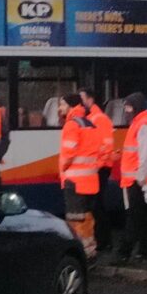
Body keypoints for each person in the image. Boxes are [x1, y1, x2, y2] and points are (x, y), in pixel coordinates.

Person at [116, 92, 147, 264]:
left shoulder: (143, 124)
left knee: (134, 217)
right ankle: (145, 252)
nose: (126, 110)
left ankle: (124, 253)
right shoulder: (142, 122)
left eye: (128, 107)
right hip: (140, 178)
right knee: (143, 217)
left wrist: (141, 177)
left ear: (135, 107)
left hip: (139, 180)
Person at [58, 94, 100, 260]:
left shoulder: (71, 125)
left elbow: (69, 153)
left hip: (74, 182)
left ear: (70, 106)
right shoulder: (89, 124)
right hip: (89, 181)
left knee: (75, 221)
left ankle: (79, 256)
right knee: (87, 219)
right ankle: (90, 252)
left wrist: (63, 168)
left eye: (62, 105)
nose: (59, 109)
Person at [79, 87, 117, 253]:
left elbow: (106, 146)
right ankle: (100, 239)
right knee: (94, 206)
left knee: (97, 206)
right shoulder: (89, 118)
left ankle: (105, 241)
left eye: (83, 99)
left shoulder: (99, 119)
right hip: (94, 168)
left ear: (90, 100)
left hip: (100, 168)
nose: (81, 103)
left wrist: (97, 165)